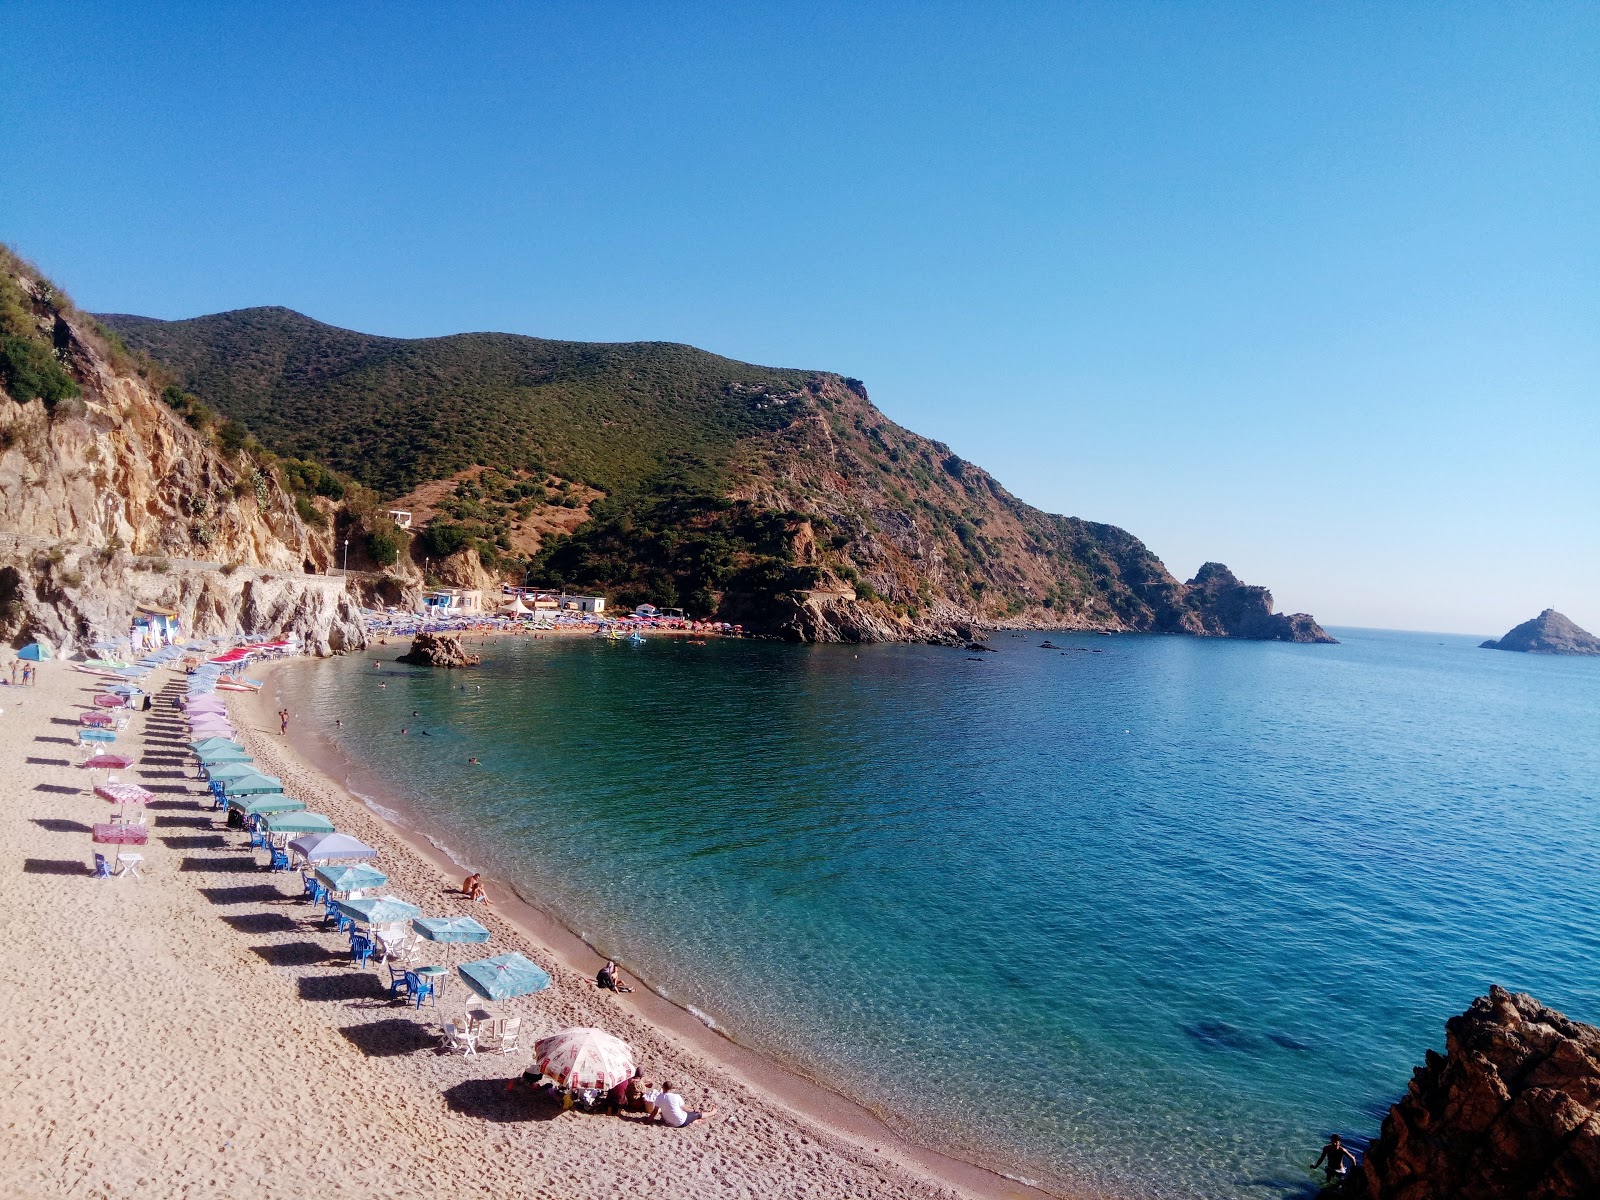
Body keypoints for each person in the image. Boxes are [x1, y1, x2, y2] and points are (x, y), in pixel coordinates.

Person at [647, 1082, 715, 1127]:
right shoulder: (676, 1096)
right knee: (697, 1114)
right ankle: (712, 1112)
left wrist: (649, 1119)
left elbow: (655, 1111)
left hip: (668, 1122)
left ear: (662, 1088)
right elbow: (685, 1109)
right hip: (681, 1122)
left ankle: (694, 1121)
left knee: (678, 1111)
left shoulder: (659, 1097)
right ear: (671, 1088)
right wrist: (694, 1110)